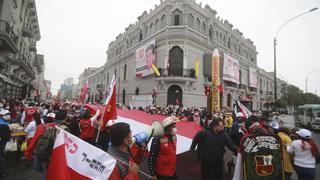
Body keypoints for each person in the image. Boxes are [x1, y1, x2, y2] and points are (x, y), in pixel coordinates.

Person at [0, 110, 11, 178]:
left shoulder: (4, 123)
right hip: (1, 143)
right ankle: (3, 172)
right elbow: (7, 137)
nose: (8, 115)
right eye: (6, 114)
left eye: (8, 114)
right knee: (1, 157)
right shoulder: (4, 125)